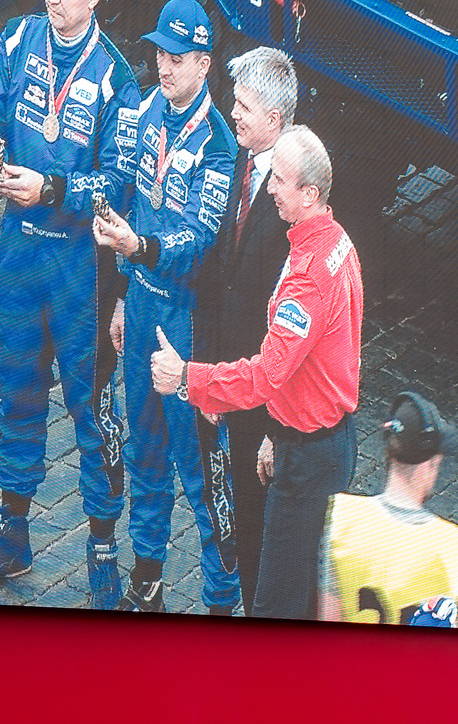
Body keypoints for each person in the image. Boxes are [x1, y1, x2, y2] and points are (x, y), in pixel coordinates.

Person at [0, 0, 140, 602]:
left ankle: (101, 547)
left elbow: (121, 182)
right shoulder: (19, 38)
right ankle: (12, 531)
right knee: (17, 390)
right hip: (22, 253)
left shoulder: (117, 76)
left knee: (92, 407)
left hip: (81, 271)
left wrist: (53, 190)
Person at [150, 125, 363, 620]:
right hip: (323, 441)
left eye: (280, 181)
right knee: (306, 595)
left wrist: (187, 377)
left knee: (274, 609)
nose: (268, 188)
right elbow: (320, 358)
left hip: (307, 462)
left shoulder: (307, 277)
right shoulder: (335, 240)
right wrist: (278, 431)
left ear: (309, 194)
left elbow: (266, 374)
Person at [94, 0, 240, 613]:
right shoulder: (140, 109)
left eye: (177, 58)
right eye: (159, 53)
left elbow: (201, 239)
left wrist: (141, 246)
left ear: (204, 64)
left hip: (187, 320)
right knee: (143, 450)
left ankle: (221, 597)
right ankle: (147, 581)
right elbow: (125, 189)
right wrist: (124, 293)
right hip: (143, 303)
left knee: (201, 467)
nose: (164, 67)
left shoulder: (220, 145)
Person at [195, 46, 302, 612]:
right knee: (230, 510)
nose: (232, 113)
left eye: (244, 106)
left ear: (276, 122)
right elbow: (219, 280)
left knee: (263, 529)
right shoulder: (237, 161)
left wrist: (275, 427)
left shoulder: (293, 198)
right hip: (230, 379)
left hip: (265, 398)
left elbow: (292, 331)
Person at [317, 391, 458, 628]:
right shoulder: (453, 549)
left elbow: (328, 620)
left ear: (389, 453)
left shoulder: (342, 520)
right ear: (429, 464)